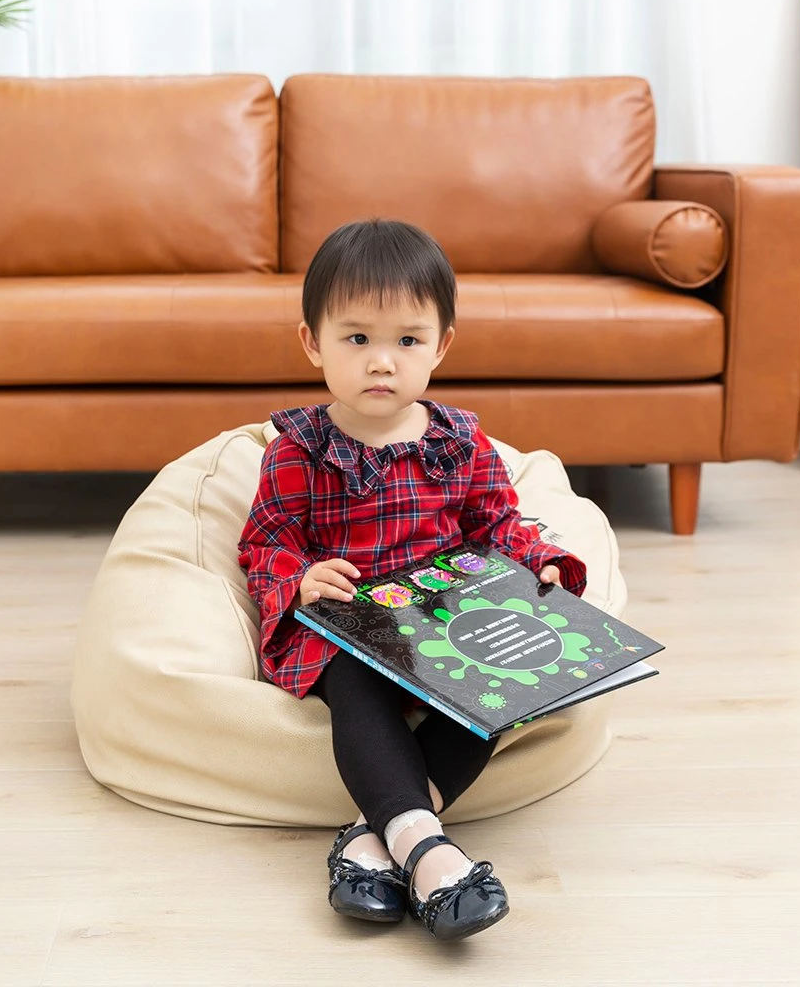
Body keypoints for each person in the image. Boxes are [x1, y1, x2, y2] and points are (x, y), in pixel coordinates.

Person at [238, 219, 587, 941]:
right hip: (354, 628)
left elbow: (498, 523)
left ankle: (373, 842)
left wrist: (541, 563)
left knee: (499, 686)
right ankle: (431, 853)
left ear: (441, 347)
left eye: (407, 341)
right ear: (313, 343)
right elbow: (265, 539)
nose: (381, 363)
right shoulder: (299, 450)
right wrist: (300, 578)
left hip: (443, 626)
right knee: (356, 680)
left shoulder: (460, 442)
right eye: (356, 338)